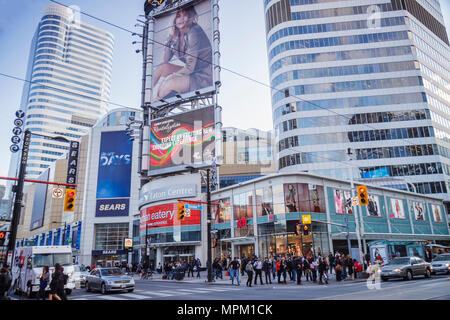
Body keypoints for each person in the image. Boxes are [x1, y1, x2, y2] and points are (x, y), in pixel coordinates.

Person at [152, 5, 212, 102]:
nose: (181, 19)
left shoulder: (194, 31)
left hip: (204, 75)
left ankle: (157, 104)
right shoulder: (176, 35)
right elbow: (165, 61)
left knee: (168, 84)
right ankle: (148, 101)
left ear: (190, 17)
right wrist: (169, 39)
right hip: (193, 71)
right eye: (178, 16)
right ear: (174, 19)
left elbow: (190, 67)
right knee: (162, 68)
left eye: (185, 15)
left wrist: (169, 77)